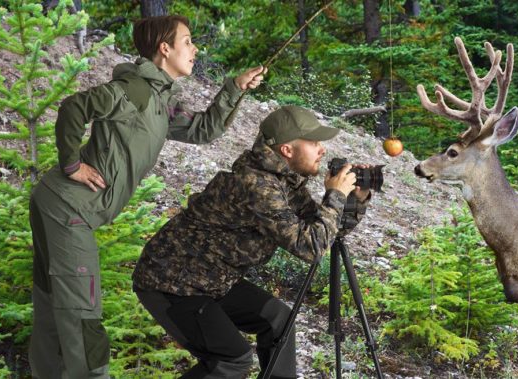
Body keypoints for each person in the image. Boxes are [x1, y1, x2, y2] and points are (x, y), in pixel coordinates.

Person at [29, 15, 266, 378]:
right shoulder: (135, 91)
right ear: (164, 48)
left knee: (52, 310)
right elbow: (74, 107)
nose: (195, 48)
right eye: (187, 41)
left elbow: (204, 130)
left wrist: (234, 88)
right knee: (81, 316)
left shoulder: (159, 99)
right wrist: (72, 165)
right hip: (68, 209)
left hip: (58, 206)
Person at [132, 105, 373, 379]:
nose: (322, 150)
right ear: (287, 150)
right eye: (314, 143)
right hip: (172, 283)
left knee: (279, 320)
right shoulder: (257, 185)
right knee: (231, 360)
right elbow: (310, 248)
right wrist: (335, 196)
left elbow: (326, 232)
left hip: (213, 279)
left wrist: (355, 199)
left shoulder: (283, 181)